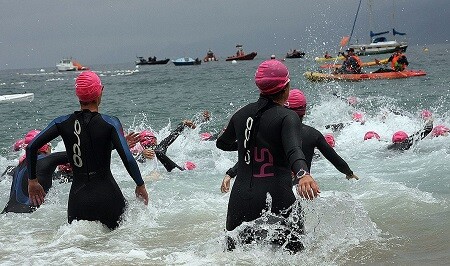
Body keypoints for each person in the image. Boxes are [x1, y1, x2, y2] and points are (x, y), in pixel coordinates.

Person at [216, 60, 319, 253]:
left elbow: (222, 143)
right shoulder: (288, 117)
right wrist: (303, 173)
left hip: (240, 199)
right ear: (286, 87)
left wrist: (248, 145)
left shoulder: (241, 114)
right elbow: (293, 150)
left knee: (232, 257)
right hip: (277, 196)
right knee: (297, 257)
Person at [26, 71, 148, 230]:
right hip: (108, 196)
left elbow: (31, 147)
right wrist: (140, 185)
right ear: (100, 91)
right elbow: (128, 158)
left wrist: (32, 182)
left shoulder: (62, 122)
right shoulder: (110, 123)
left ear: (78, 95)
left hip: (78, 200)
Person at [221, 89, 358, 194]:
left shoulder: (270, 133)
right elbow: (334, 158)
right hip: (300, 189)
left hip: (270, 189)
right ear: (304, 111)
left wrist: (231, 173)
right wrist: (349, 173)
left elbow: (253, 155)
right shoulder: (312, 134)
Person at [2, 130, 69, 214]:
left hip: (6, 215)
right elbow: (80, 153)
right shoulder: (47, 160)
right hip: (27, 218)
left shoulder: (18, 166)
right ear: (46, 147)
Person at [132, 119, 196, 172]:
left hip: (147, 168)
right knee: (158, 152)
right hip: (170, 168)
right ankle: (183, 169)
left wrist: (143, 154)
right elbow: (173, 135)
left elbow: (134, 161)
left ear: (141, 144)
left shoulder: (139, 154)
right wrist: (183, 124)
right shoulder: (161, 146)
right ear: (155, 140)